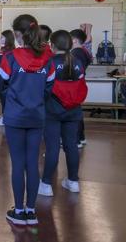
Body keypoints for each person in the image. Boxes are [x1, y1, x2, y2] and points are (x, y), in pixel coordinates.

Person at [0, 14, 54, 226]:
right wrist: (36, 101)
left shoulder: (10, 58)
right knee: (32, 163)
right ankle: (31, 211)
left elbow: (2, 85)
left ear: (16, 34)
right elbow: (49, 88)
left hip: (14, 116)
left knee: (17, 163)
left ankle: (18, 211)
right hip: (37, 115)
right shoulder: (46, 59)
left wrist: (13, 100)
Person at [39, 30, 87, 197]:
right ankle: (73, 181)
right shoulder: (78, 62)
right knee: (71, 146)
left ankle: (46, 184)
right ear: (70, 44)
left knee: (52, 147)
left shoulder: (49, 62)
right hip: (73, 110)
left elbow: (43, 87)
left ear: (52, 45)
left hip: (52, 110)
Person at [70, 28, 93, 148]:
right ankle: (81, 138)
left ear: (74, 40)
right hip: (79, 84)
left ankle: (77, 140)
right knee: (77, 111)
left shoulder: (76, 53)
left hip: (75, 85)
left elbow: (75, 70)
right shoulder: (83, 51)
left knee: (74, 112)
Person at [0, 30, 16, 127]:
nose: (0, 39)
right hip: (2, 78)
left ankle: (5, 118)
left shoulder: (8, 51)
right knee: (3, 99)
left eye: (3, 37)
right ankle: (4, 117)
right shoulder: (3, 50)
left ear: (8, 39)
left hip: (6, 80)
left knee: (5, 99)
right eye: (0, 37)